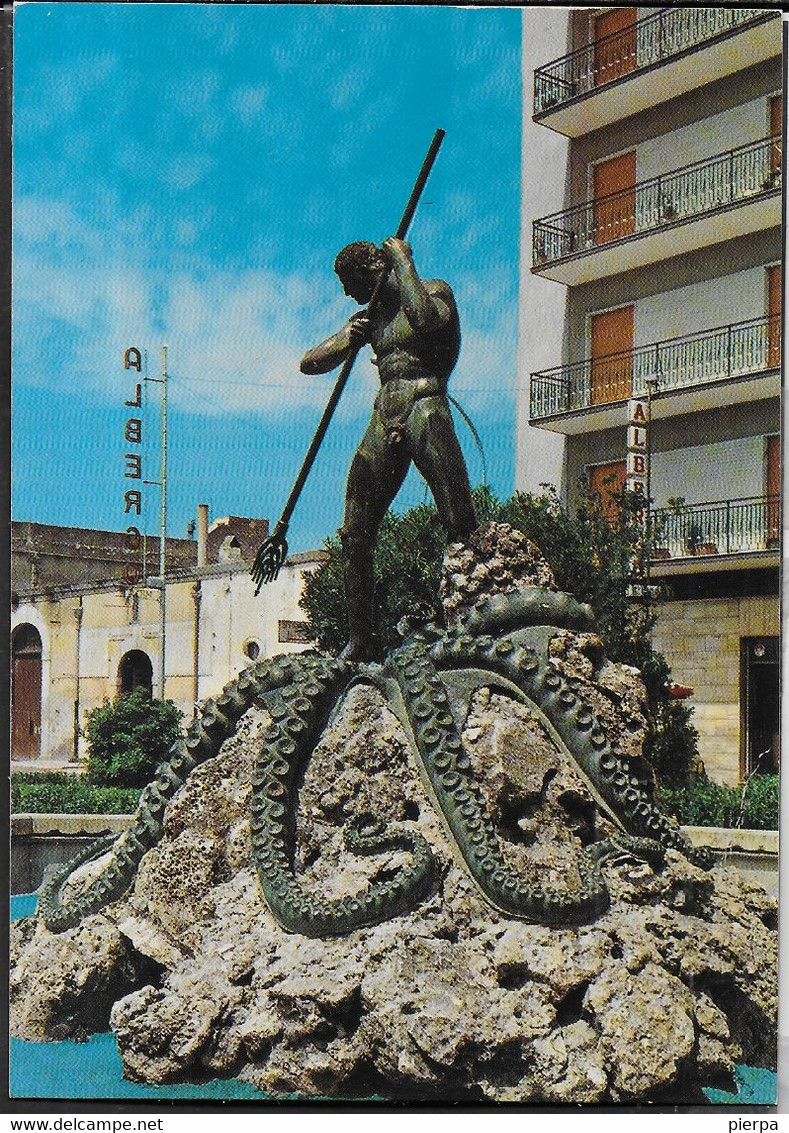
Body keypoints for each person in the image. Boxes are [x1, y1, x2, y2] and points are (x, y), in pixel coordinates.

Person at [300, 236, 477, 660]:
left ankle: (473, 615)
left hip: (425, 403)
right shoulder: (370, 317)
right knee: (355, 531)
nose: (347, 293)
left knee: (458, 519)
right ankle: (362, 638)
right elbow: (309, 363)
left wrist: (403, 262)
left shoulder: (434, 291)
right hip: (386, 410)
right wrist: (348, 336)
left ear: (373, 271)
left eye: (349, 282)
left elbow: (426, 321)